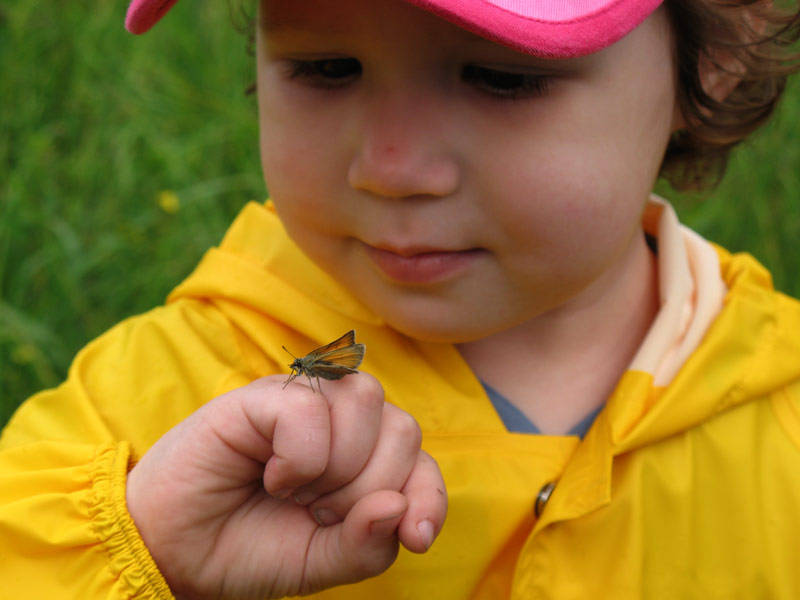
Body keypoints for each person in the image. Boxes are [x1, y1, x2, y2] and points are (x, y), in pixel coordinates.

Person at [2, 0, 800, 597]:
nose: (392, 168)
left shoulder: (779, 403)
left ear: (717, 51)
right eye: (327, 68)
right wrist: (144, 556)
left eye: (502, 77)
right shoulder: (150, 419)